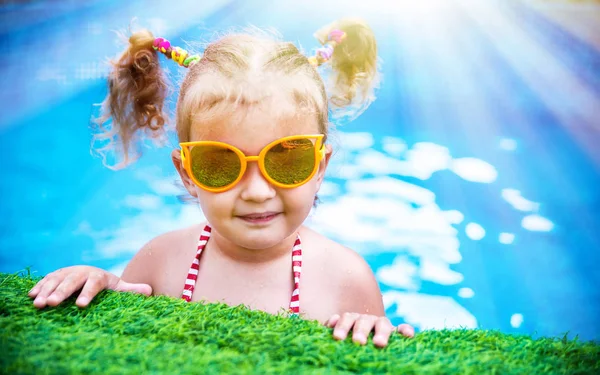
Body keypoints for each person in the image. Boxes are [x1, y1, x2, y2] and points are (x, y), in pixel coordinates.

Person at [27, 18, 415, 348]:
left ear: (319, 166)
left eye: (287, 159)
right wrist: (101, 286)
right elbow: (126, 342)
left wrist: (374, 330)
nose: (258, 191)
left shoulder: (348, 277)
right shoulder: (159, 261)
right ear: (187, 173)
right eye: (219, 163)